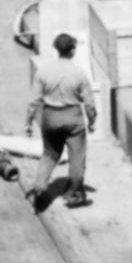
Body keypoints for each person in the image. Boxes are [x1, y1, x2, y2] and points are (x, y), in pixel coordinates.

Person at [27, 21, 97, 210]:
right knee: (77, 158)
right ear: (73, 50)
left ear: (56, 49)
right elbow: (89, 103)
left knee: (49, 154)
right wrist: (92, 121)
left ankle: (40, 188)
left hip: (50, 116)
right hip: (73, 118)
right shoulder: (79, 73)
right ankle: (73, 194)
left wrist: (28, 122)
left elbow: (33, 101)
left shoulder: (44, 71)